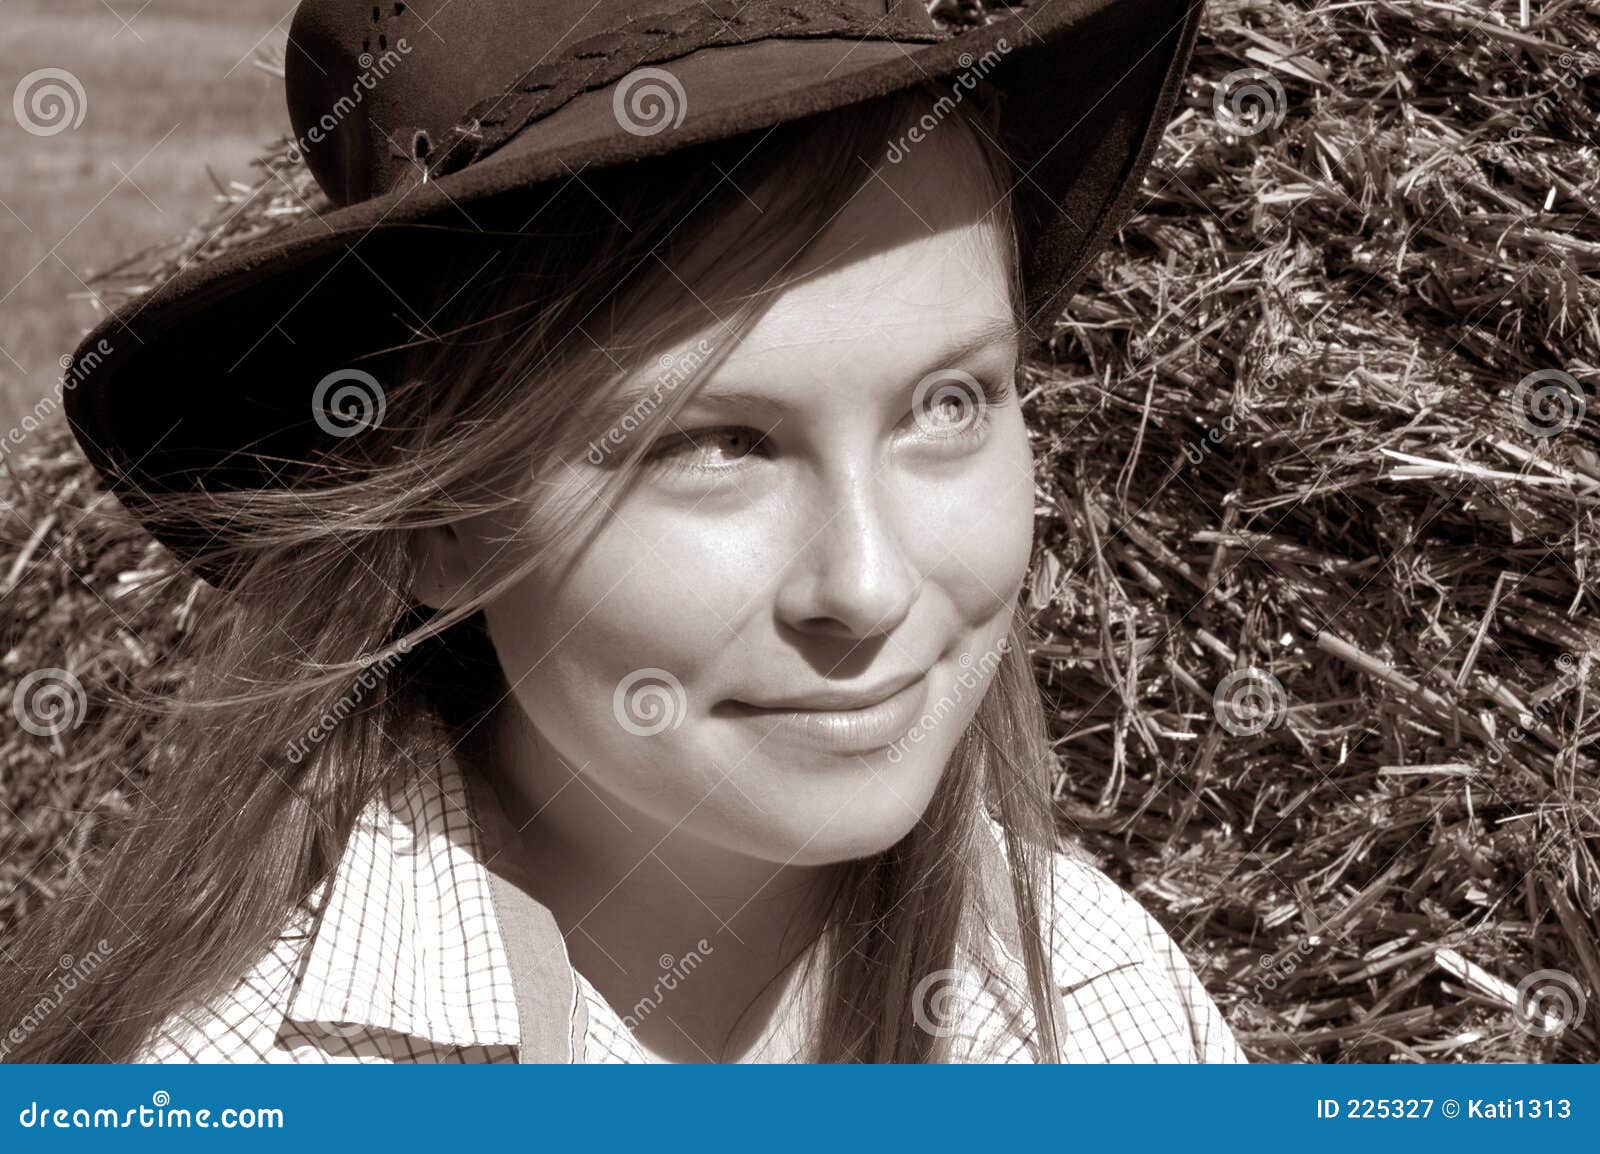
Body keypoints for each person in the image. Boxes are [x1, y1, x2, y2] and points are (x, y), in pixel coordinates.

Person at [1, 0, 1241, 1063]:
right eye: (715, 445)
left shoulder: (1096, 1005)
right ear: (438, 518)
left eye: (950, 403)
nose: (867, 585)